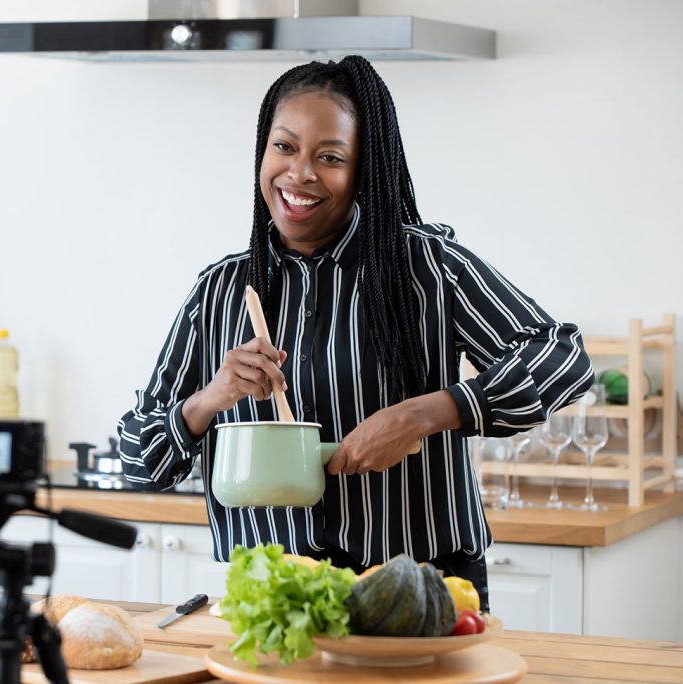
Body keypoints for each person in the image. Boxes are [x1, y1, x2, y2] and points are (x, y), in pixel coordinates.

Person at [116, 56, 593, 610]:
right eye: (285, 147)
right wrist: (212, 397)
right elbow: (139, 458)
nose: (299, 174)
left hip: (417, 586)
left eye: (331, 157)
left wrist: (425, 413)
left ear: (363, 167)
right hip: (278, 591)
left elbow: (562, 357)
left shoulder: (425, 268)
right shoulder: (221, 289)